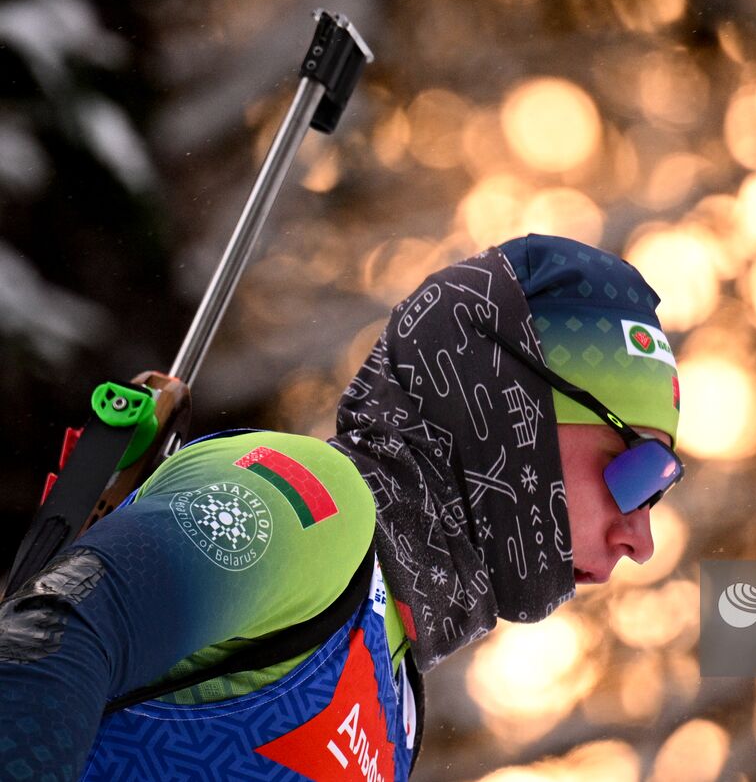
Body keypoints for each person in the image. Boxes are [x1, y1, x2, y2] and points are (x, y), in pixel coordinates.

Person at [0, 233, 684, 781]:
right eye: (636, 470)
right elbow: (48, 644)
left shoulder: (398, 704)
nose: (641, 538)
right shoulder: (311, 503)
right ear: (516, 408)